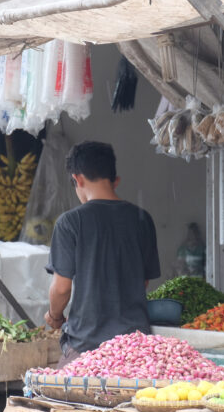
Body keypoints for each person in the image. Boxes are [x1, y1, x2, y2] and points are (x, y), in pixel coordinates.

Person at [45, 141, 161, 368]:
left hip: (86, 345)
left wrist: (54, 316)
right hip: (135, 347)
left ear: (77, 179)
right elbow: (143, 281)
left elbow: (61, 288)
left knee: (61, 399)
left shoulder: (70, 222)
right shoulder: (142, 219)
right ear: (114, 180)